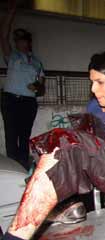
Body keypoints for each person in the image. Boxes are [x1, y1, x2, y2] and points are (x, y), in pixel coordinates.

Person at [1, 0, 45, 170]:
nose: (20, 43)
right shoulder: (12, 57)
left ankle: (22, 168)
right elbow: (3, 36)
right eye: (18, 40)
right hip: (10, 100)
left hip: (28, 103)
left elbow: (41, 86)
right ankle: (12, 168)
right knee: (11, 136)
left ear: (28, 42)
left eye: (23, 40)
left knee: (24, 135)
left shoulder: (37, 62)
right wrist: (11, 12)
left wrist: (37, 87)